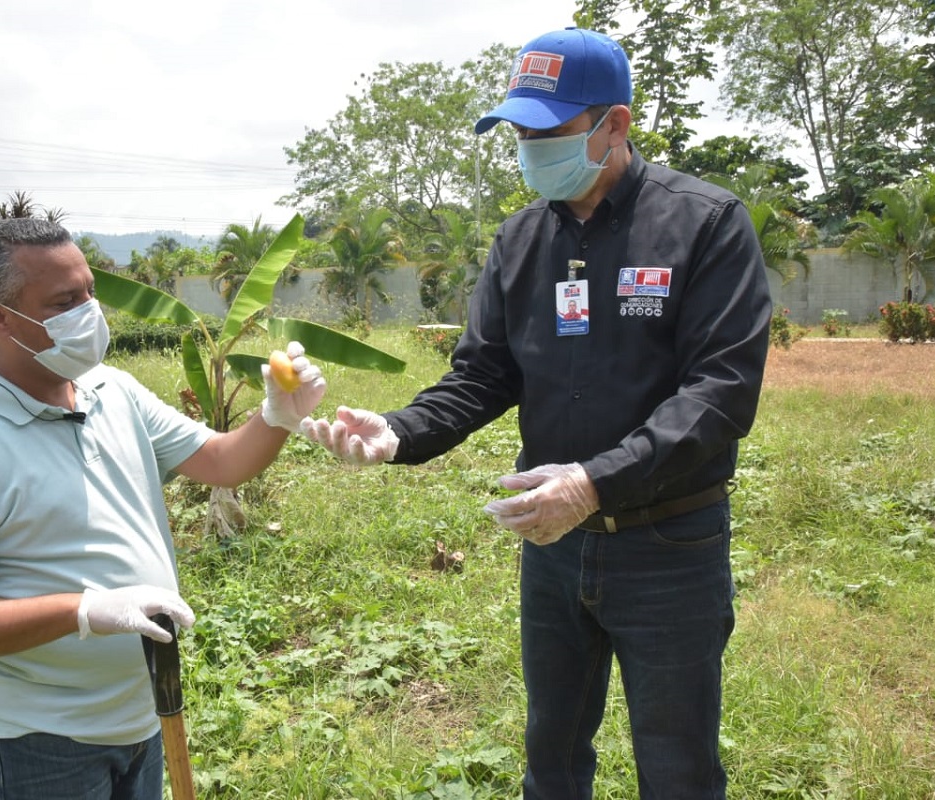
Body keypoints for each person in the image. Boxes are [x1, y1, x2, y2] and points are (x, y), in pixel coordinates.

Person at [302, 26, 771, 800]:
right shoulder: (520, 240)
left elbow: (720, 391)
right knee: (550, 754)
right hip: (552, 547)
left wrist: (595, 481)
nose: (528, 149)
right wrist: (400, 431)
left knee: (679, 763)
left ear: (613, 125)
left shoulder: (705, 224)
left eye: (546, 132)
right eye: (518, 133)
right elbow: (484, 374)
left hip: (670, 546)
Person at [0, 217, 325, 799]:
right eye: (65, 302)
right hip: (33, 739)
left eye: (89, 291)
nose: (89, 313)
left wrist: (276, 416)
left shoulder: (110, 390)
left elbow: (222, 461)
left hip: (143, 710)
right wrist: (87, 610)